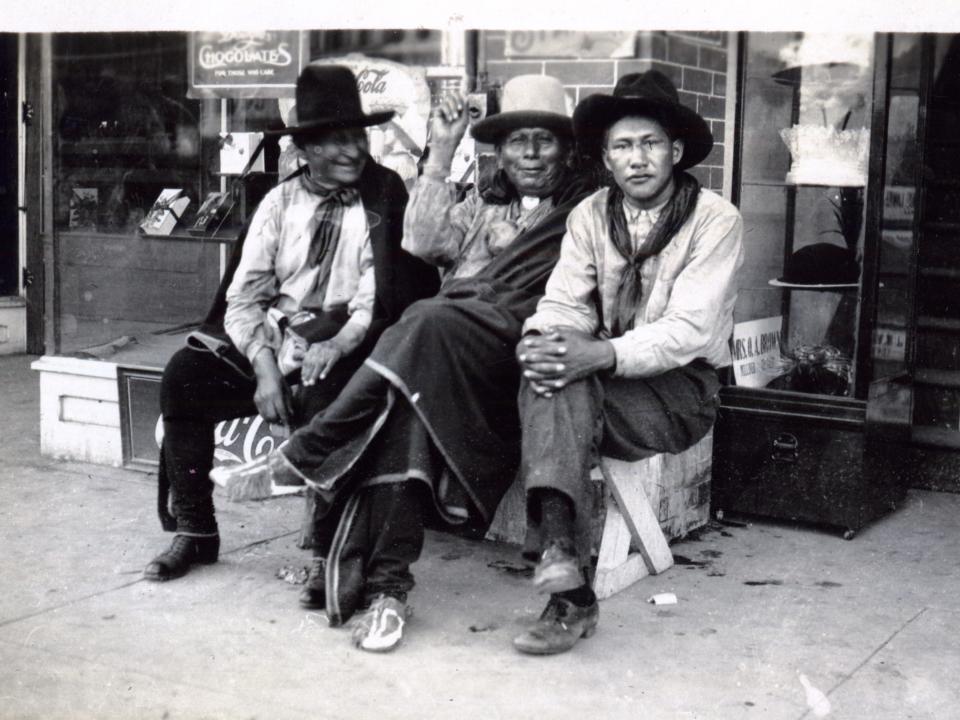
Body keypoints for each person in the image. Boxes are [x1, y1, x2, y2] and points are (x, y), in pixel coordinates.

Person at [213, 75, 598, 652]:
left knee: (421, 320)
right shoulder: (479, 202)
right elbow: (420, 243)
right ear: (499, 150)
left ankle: (310, 454)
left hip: (514, 368)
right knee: (408, 410)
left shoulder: (587, 209)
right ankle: (390, 592)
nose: (532, 153)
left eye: (545, 140)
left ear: (568, 149)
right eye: (518, 141)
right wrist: (440, 153)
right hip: (447, 360)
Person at [143, 64, 439, 582]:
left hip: (351, 341)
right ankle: (195, 530)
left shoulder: (384, 193)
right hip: (276, 340)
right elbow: (244, 295)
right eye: (335, 141)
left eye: (357, 138)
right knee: (184, 378)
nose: (352, 151)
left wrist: (337, 344)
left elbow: (378, 296)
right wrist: (263, 368)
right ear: (305, 149)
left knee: (330, 398)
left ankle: (328, 555)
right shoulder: (278, 202)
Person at [511, 70, 744, 655]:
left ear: (676, 151)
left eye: (650, 143)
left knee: (562, 385)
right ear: (607, 158)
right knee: (549, 377)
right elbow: (564, 302)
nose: (637, 159)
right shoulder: (590, 215)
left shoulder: (716, 219)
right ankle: (565, 571)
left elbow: (687, 330)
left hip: (680, 390)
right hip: (602, 375)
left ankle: (565, 572)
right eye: (622, 146)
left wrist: (598, 353)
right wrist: (544, 339)